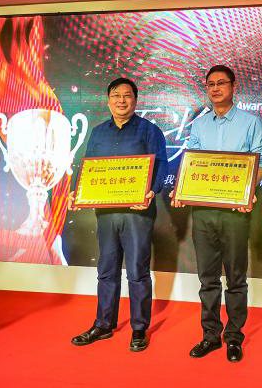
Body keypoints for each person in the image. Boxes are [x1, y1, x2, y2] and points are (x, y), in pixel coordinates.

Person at [170, 65, 262, 362]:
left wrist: (249, 190)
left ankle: (234, 337)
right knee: (208, 278)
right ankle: (210, 335)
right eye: (210, 84)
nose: (215, 88)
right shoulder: (200, 125)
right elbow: (192, 162)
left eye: (221, 83)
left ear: (233, 86)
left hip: (235, 213)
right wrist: (181, 189)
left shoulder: (251, 122)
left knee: (236, 278)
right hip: (203, 212)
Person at [69, 77, 168, 352]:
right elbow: (87, 166)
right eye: (116, 95)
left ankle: (139, 328)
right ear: (108, 100)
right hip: (106, 212)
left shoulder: (149, 131)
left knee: (137, 271)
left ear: (135, 100)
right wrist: (78, 191)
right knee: (106, 269)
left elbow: (161, 165)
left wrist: (152, 192)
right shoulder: (98, 132)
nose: (121, 100)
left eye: (127, 95)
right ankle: (103, 324)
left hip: (138, 213)